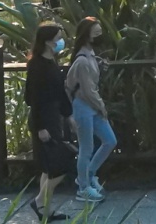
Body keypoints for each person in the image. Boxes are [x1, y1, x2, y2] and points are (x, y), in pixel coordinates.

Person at [24, 22, 74, 222]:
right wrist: (40, 127)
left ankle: (45, 209)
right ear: (47, 41)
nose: (60, 41)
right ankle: (39, 201)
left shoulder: (51, 61)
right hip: (43, 119)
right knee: (61, 164)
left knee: (48, 167)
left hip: (54, 116)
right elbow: (33, 99)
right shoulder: (36, 66)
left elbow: (59, 93)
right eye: (57, 38)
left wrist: (68, 115)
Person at [67, 17, 115, 203]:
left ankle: (89, 174)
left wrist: (100, 65)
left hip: (91, 105)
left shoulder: (90, 55)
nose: (99, 36)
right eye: (96, 33)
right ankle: (83, 188)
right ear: (86, 35)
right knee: (86, 147)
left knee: (109, 141)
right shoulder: (82, 61)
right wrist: (101, 107)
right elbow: (87, 91)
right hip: (84, 106)